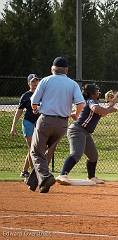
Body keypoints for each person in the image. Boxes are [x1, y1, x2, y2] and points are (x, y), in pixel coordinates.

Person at [26, 56, 85, 193]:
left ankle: (46, 177)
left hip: (46, 120)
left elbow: (34, 100)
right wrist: (76, 114)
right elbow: (81, 103)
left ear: (52, 69)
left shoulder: (46, 80)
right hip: (62, 123)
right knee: (46, 153)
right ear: (67, 70)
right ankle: (36, 183)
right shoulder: (72, 84)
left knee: (35, 151)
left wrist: (35, 108)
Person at [55, 84, 118, 185]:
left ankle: (92, 177)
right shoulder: (91, 101)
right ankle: (62, 175)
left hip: (85, 132)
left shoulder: (93, 101)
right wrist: (110, 109)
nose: (98, 92)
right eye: (96, 91)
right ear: (91, 93)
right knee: (76, 154)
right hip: (77, 130)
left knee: (93, 156)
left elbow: (101, 112)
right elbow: (98, 110)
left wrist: (111, 104)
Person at [10, 74, 40, 178]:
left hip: (39, 124)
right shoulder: (26, 95)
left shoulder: (42, 94)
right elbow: (19, 112)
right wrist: (13, 126)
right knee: (32, 148)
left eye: (36, 81)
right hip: (28, 123)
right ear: (28, 84)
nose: (35, 83)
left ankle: (24, 171)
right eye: (32, 82)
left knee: (33, 149)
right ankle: (34, 173)